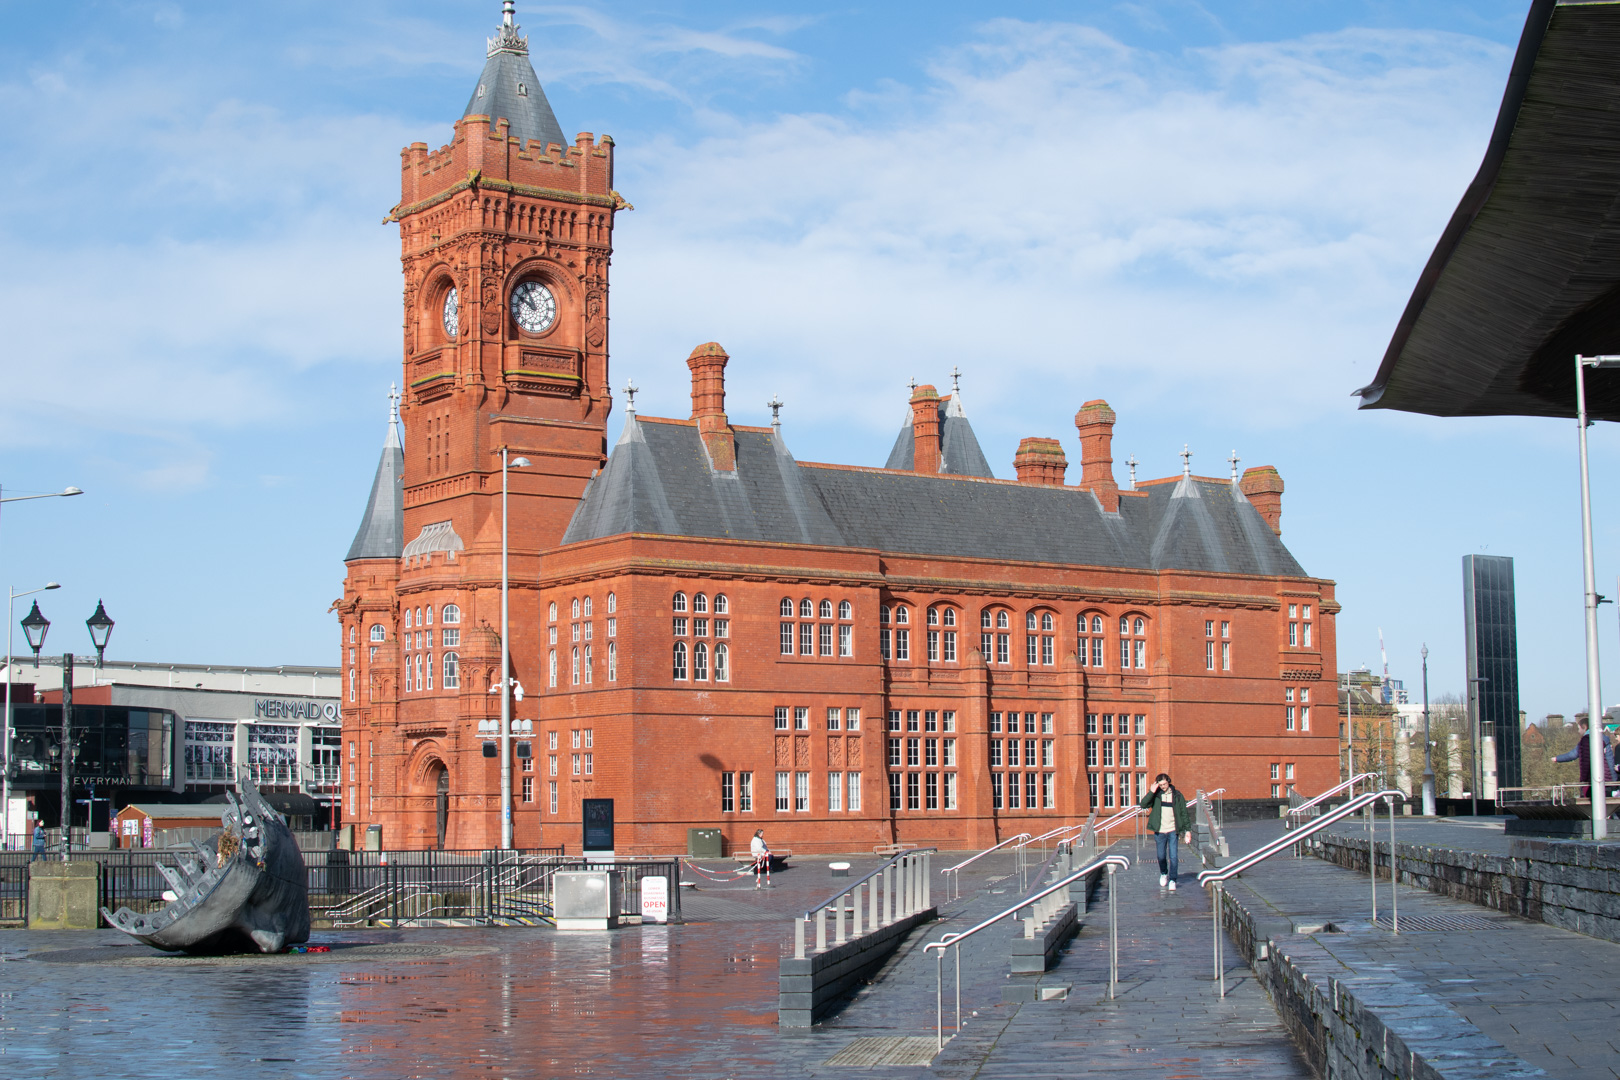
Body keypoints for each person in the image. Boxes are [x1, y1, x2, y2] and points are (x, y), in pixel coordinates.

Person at [1138, 773, 1192, 891]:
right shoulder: (1156, 796)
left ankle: (1173, 879)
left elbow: (1184, 813)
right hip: (1160, 831)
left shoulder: (1177, 795)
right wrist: (1151, 792)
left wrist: (1188, 830)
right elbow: (1143, 804)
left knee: (1173, 856)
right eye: (1160, 785)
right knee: (1161, 856)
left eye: (1164, 784)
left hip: (1173, 830)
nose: (1163, 787)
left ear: (1169, 782)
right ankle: (1164, 873)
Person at [1553, 715, 1615, 797]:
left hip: (1592, 780)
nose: (1578, 731)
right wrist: (1613, 780)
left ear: (1584, 727)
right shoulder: (1605, 739)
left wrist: (1557, 758)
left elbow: (1573, 755)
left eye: (1579, 729)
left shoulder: (1586, 740)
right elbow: (1610, 761)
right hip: (1607, 781)